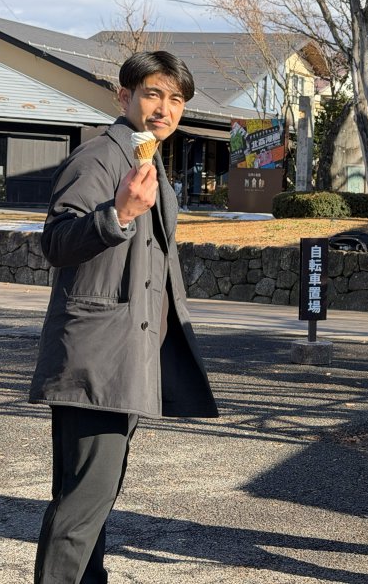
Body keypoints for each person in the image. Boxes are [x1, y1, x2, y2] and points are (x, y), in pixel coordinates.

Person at [30, 51, 219, 583]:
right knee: (82, 503)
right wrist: (118, 215)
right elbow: (56, 243)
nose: (165, 108)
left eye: (176, 99)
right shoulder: (97, 158)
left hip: (126, 354)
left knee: (93, 496)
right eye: (153, 94)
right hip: (96, 357)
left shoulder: (146, 157)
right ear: (125, 96)